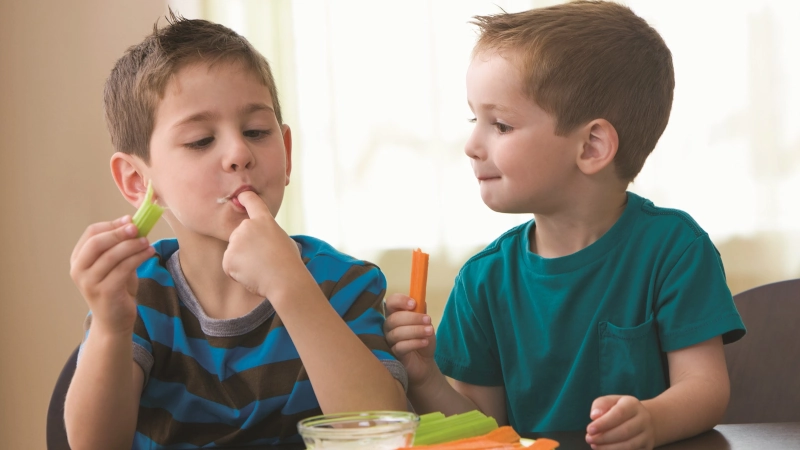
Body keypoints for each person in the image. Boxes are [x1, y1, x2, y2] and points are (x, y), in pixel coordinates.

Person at [383, 2, 745, 449]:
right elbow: (485, 427)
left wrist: (651, 419)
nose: (472, 145)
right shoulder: (482, 280)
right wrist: (425, 378)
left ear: (592, 146)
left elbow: (705, 389)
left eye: (500, 124)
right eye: (474, 120)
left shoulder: (675, 250)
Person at [65, 13, 407, 449]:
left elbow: (381, 435)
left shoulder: (346, 284)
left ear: (285, 151)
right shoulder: (140, 298)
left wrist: (292, 289)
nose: (238, 153)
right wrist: (112, 327)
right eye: (200, 140)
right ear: (138, 182)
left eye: (255, 131)